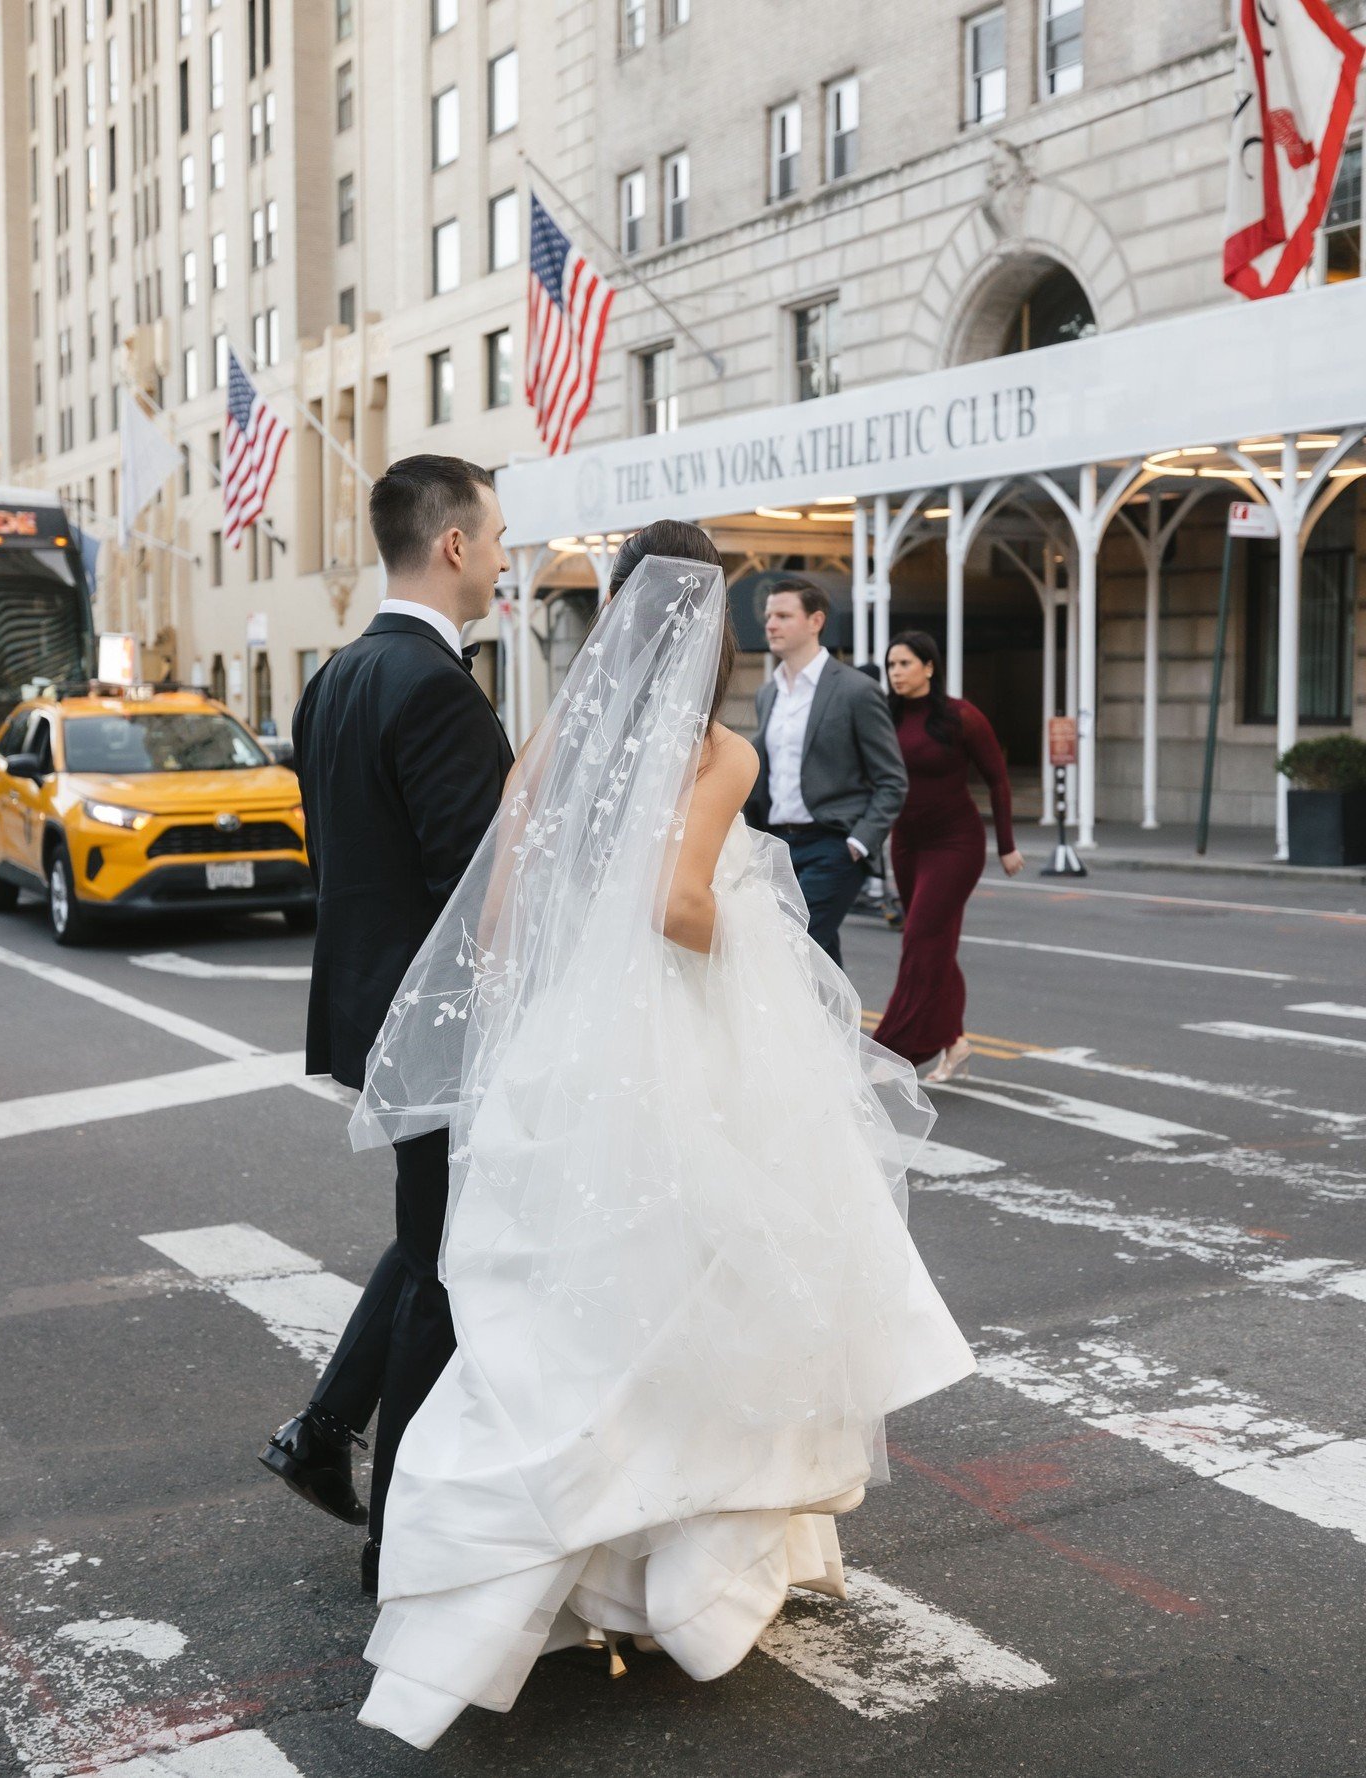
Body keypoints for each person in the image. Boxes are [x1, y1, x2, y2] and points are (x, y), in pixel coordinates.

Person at [347, 541, 976, 1750]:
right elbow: (679, 904)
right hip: (679, 1040)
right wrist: (763, 955)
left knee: (579, 1304)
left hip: (569, 1041)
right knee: (704, 1291)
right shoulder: (716, 750)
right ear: (716, 636)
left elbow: (498, 909)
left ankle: (567, 1588)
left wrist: (544, 1011)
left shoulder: (553, 735)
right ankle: (677, 1579)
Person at [258, 456, 513, 1596]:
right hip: (445, 1025)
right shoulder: (438, 691)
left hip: (372, 1011)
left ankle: (320, 1432)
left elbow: (344, 860)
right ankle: (395, 1531)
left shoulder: (334, 679)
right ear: (453, 545)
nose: (506, 557)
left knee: (428, 1238)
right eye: (498, 536)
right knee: (446, 1266)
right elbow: (478, 892)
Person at [870, 630, 1024, 1082]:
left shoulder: (961, 716)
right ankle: (955, 1043)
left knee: (920, 937)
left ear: (929, 667)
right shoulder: (885, 716)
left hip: (955, 843)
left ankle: (896, 1051)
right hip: (906, 843)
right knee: (934, 945)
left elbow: (997, 779)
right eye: (891, 665)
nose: (896, 673)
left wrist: (1007, 845)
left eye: (905, 664)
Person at [745, 579, 907, 967]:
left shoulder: (856, 690)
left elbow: (892, 779)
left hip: (832, 845)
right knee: (818, 961)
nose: (771, 625)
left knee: (792, 948)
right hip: (778, 847)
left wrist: (860, 842)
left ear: (815, 620)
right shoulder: (768, 693)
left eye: (783, 616)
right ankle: (837, 1027)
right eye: (769, 616)